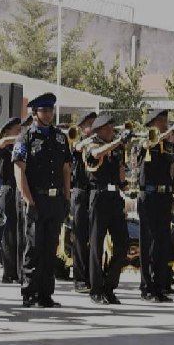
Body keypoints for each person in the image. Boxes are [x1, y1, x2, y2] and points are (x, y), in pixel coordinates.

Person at [13, 93, 72, 308]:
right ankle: (30, 293)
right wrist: (28, 200)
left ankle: (46, 294)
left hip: (55, 200)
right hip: (36, 198)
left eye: (50, 110)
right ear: (35, 113)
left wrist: (67, 197)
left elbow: (66, 169)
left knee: (50, 248)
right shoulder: (26, 137)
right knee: (34, 247)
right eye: (44, 111)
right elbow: (19, 170)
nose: (48, 114)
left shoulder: (60, 137)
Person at [84, 114, 133, 304]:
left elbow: (120, 167)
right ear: (99, 130)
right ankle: (96, 289)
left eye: (112, 127)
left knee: (123, 243)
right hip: (98, 196)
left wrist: (124, 185)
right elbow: (96, 154)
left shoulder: (117, 146)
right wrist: (118, 142)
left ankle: (109, 285)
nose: (112, 130)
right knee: (96, 244)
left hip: (114, 197)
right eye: (108, 128)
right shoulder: (91, 143)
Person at [137, 109, 174, 302]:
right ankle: (147, 287)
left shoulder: (167, 145)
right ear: (153, 123)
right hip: (149, 195)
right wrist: (166, 135)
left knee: (162, 242)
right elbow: (147, 145)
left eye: (166, 120)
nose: (165, 123)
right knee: (148, 243)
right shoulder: (144, 140)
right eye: (161, 120)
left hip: (164, 195)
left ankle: (160, 286)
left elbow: (172, 167)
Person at [70, 111, 96, 294]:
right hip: (80, 192)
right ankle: (79, 278)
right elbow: (78, 148)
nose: (94, 127)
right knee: (79, 237)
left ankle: (93, 275)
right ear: (82, 127)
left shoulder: (98, 142)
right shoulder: (77, 141)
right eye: (91, 124)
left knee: (94, 237)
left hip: (94, 192)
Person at [0, 117, 22, 284]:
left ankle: (19, 271)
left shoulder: (20, 146)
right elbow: (2, 142)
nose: (20, 132)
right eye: (16, 129)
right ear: (7, 131)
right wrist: (21, 137)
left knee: (20, 230)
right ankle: (8, 271)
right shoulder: (4, 144)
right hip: (8, 189)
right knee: (9, 231)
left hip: (20, 189)